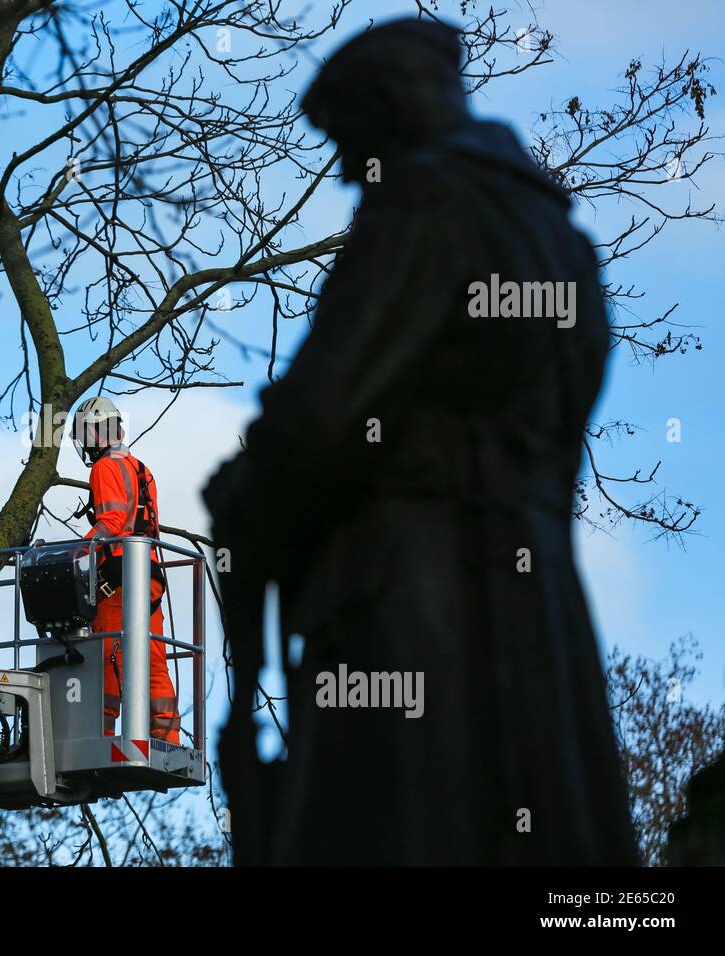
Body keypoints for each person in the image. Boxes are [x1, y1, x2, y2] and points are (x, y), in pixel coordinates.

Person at [203, 17, 640, 865]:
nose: (341, 170)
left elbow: (319, 418)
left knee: (399, 825)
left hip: (410, 591)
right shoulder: (565, 242)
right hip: (536, 593)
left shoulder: (421, 202)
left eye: (348, 142)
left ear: (392, 108)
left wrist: (245, 494)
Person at [71, 396, 181, 745]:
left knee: (106, 660)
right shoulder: (140, 468)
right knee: (153, 660)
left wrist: (75, 551)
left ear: (94, 433)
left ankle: (99, 737)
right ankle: (167, 739)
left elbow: (112, 522)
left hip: (117, 582)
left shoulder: (103, 468)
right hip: (148, 577)